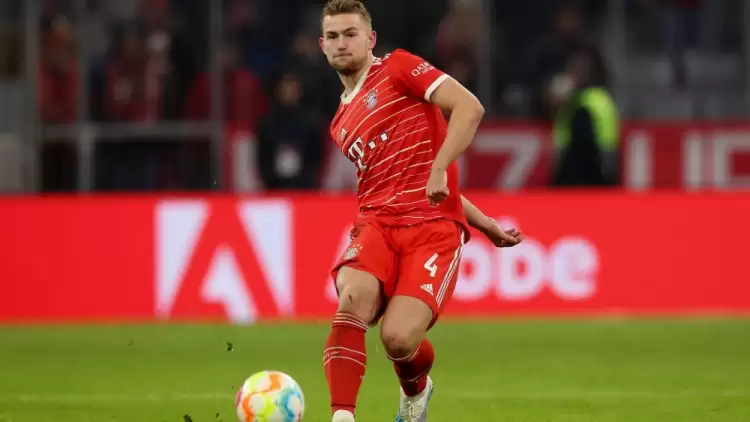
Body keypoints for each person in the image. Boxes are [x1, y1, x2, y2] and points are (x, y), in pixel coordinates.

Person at [319, 1, 525, 421]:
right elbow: (406, 181)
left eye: (351, 34)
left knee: (397, 339)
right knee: (352, 298)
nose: (342, 43)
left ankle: (416, 388)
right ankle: (342, 416)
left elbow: (469, 107)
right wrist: (486, 223)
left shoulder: (397, 68)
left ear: (370, 39)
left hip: (431, 229)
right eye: (333, 37)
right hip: (376, 223)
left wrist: (439, 168)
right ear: (322, 46)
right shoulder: (340, 123)